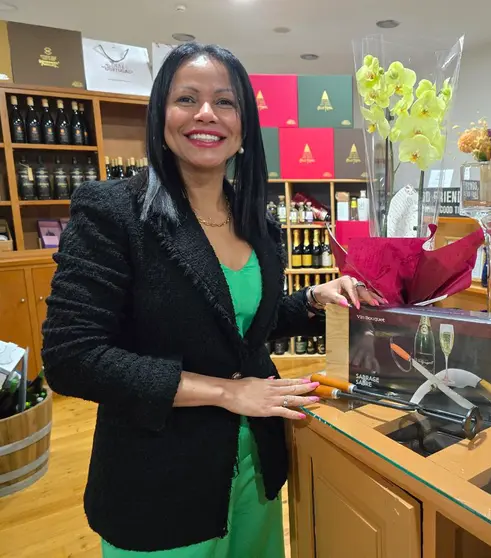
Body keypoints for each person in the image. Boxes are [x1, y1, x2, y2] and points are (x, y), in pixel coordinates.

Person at [41, 43, 379, 557]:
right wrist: (226, 392)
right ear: (160, 115)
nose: (206, 114)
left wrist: (312, 297)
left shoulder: (259, 221)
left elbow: (237, 329)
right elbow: (72, 359)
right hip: (160, 485)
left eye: (226, 102)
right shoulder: (113, 211)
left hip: (254, 471)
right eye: (187, 99)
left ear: (244, 125)